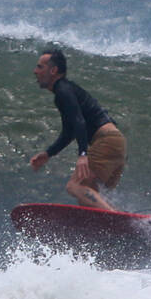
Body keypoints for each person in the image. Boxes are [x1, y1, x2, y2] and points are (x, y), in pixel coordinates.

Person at [29, 48, 126, 211]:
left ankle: (114, 217)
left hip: (106, 141)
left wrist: (83, 155)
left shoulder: (62, 91)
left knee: (74, 186)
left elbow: (79, 121)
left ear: (53, 70)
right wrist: (49, 153)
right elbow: (70, 130)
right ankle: (121, 225)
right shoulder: (66, 90)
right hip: (116, 142)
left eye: (40, 67)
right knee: (88, 195)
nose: (35, 71)